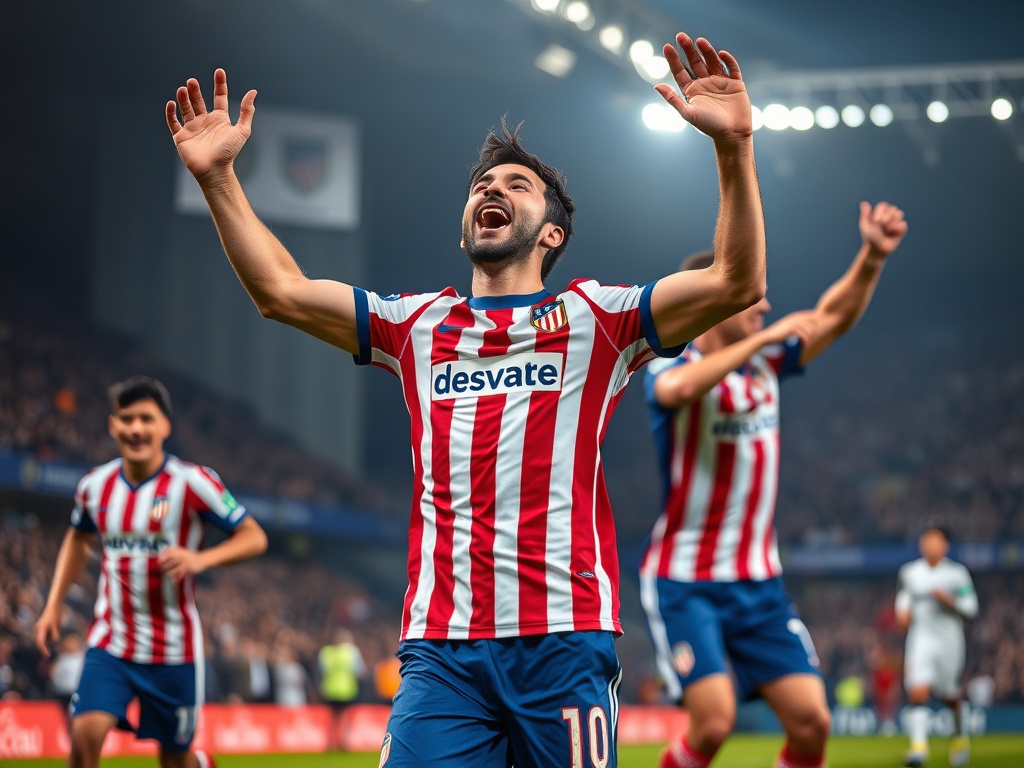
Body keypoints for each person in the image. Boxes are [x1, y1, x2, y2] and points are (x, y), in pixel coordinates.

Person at [166, 31, 766, 768]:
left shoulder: (596, 318)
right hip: (442, 651)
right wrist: (219, 178)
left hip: (564, 640)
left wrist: (734, 147)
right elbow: (281, 293)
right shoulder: (415, 325)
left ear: (551, 233)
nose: (491, 189)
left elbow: (737, 283)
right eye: (483, 184)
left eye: (517, 185)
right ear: (464, 228)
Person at [640, 202, 907, 768]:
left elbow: (832, 316)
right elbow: (677, 393)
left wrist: (871, 259)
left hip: (759, 583)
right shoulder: (670, 363)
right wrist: (760, 343)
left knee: (813, 723)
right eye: (752, 293)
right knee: (713, 724)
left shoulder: (766, 363)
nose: (765, 305)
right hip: (686, 581)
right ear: (719, 299)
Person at [33, 376, 268, 768]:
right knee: (83, 738)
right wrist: (53, 604)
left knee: (174, 760)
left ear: (165, 426)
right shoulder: (94, 486)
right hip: (113, 642)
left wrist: (201, 560)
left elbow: (254, 537)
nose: (136, 428)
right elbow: (77, 539)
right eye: (126, 419)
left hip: (174, 650)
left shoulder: (194, 482)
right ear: (113, 426)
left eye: (146, 418)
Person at [896, 526, 978, 768]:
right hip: (920, 638)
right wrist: (901, 613)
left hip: (949, 640)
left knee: (949, 694)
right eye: (926, 540)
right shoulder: (910, 572)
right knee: (917, 691)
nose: (930, 544)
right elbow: (903, 598)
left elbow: (971, 607)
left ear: (945, 546)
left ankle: (960, 738)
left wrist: (949, 601)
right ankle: (918, 749)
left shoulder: (957, 574)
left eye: (935, 540)